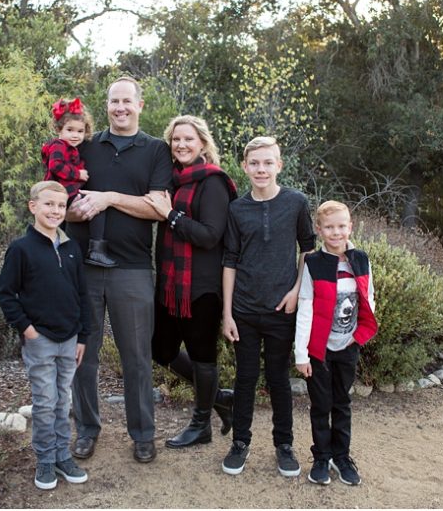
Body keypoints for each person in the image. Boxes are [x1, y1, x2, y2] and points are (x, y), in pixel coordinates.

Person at [66, 76, 173, 464]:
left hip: (132, 268)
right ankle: (87, 430)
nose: (120, 107)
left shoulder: (156, 150)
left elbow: (159, 206)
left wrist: (109, 198)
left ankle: (143, 434)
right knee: (83, 355)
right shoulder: (86, 147)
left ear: (140, 106)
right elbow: (56, 195)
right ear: (107, 105)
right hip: (84, 269)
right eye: (114, 101)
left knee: (136, 358)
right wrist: (71, 209)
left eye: (127, 101)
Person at [220, 136, 315, 477]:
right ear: (245, 167)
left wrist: (296, 291)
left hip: (282, 309)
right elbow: (229, 260)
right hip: (244, 310)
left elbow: (308, 249)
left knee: (278, 379)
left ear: (279, 165)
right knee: (245, 378)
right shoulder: (237, 209)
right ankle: (240, 442)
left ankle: (284, 445)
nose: (261, 169)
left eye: (268, 162)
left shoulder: (295, 203)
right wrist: (227, 313)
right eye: (255, 163)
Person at [146, 115, 238, 448]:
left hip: (202, 288)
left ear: (202, 143)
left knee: (202, 356)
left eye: (188, 139)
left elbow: (211, 235)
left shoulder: (213, 182)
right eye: (176, 140)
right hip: (171, 285)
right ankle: (218, 399)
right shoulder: (171, 181)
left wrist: (171, 216)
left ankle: (201, 425)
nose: (181, 145)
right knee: (161, 349)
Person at [0, 181, 93, 491]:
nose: (55, 211)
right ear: (33, 206)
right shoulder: (21, 248)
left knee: (63, 400)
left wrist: (83, 336)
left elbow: (82, 294)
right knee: (45, 400)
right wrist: (28, 330)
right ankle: (45, 460)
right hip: (41, 339)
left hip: (70, 338)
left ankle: (63, 455)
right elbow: (6, 294)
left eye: (61, 206)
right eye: (48, 204)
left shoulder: (71, 247)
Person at [294, 200, 377, 486]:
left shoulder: (361, 259)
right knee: (321, 404)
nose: (336, 232)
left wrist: (358, 336)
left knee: (342, 403)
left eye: (342, 226)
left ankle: (341, 456)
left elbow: (369, 297)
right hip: (320, 349)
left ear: (350, 227)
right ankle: (321, 457)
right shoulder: (314, 264)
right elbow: (305, 308)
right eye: (329, 227)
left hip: (348, 345)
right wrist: (301, 354)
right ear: (319, 230)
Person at [41, 97, 115, 267]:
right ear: (59, 129)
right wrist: (78, 174)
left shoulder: (71, 147)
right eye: (70, 130)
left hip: (62, 192)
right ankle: (96, 249)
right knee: (95, 204)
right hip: (60, 192)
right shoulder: (59, 145)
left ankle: (60, 250)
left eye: (80, 131)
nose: (75, 135)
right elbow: (56, 166)